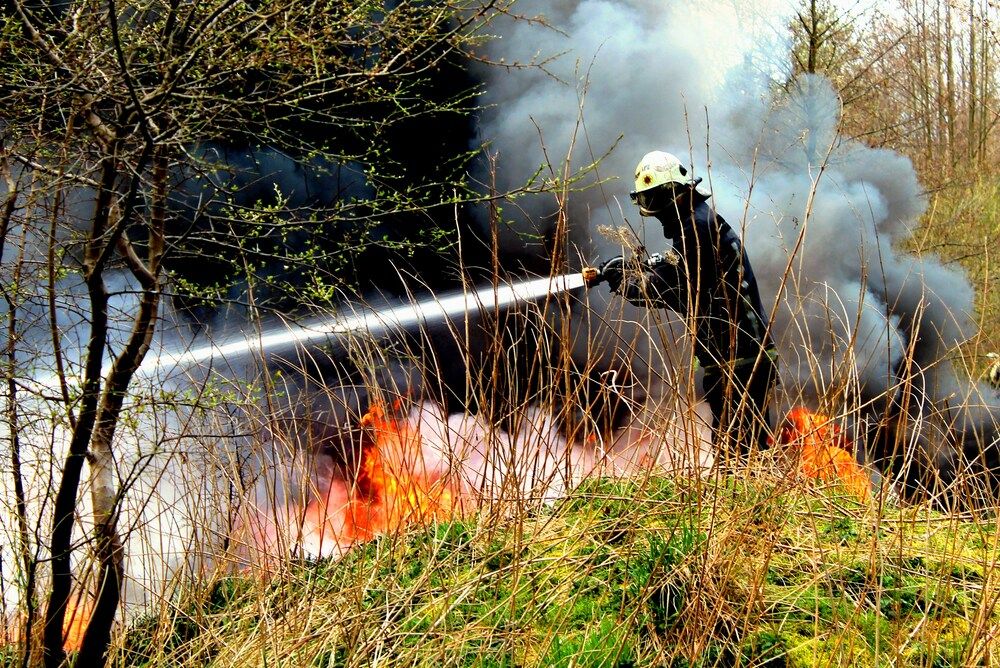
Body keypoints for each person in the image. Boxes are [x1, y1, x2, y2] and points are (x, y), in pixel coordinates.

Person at [591, 151, 777, 455]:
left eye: (657, 199)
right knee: (742, 450)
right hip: (736, 357)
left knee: (737, 455)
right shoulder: (698, 223)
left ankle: (751, 502)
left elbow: (679, 288)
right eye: (647, 202)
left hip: (739, 359)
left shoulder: (696, 227)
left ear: (677, 192)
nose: (656, 210)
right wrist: (634, 269)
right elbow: (680, 271)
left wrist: (628, 283)